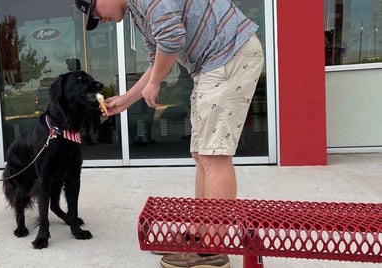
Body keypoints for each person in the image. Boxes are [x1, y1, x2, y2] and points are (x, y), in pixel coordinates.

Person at [75, 0, 264, 267]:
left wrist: (154, 84)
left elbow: (173, 38)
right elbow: (157, 59)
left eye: (96, 12)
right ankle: (202, 235)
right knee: (202, 154)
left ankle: (213, 248)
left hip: (230, 55)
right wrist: (128, 99)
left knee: (215, 155)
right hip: (212, 65)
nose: (100, 19)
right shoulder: (138, 15)